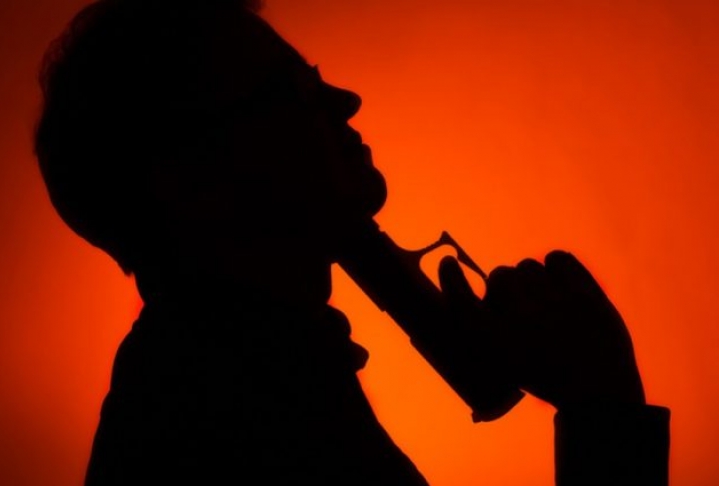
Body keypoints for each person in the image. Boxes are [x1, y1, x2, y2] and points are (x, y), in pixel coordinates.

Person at [34, 0, 670, 484]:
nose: (345, 99)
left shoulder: (236, 376)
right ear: (192, 176)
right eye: (293, 90)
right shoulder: (224, 422)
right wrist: (603, 403)